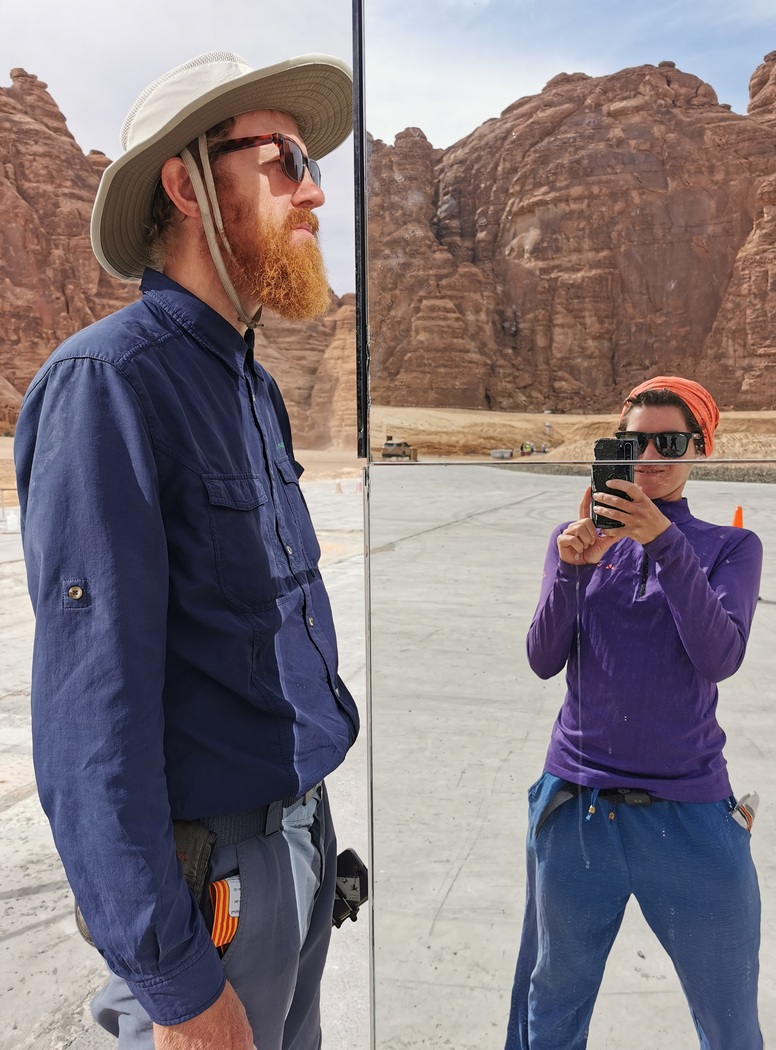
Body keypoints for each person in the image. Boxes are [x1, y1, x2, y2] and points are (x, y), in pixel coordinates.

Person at [14, 51, 359, 1050]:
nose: (313, 190)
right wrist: (172, 981)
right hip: (213, 897)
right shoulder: (109, 386)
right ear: (186, 182)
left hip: (295, 848)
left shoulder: (251, 390)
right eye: (285, 159)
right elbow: (90, 726)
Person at [505, 376, 763, 1050]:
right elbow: (540, 658)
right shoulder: (579, 540)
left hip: (690, 813)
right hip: (577, 807)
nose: (648, 456)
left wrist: (664, 546)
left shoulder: (730, 548)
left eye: (668, 442)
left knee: (730, 1020)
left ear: (699, 448)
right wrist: (571, 570)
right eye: (632, 442)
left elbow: (719, 655)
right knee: (550, 1013)